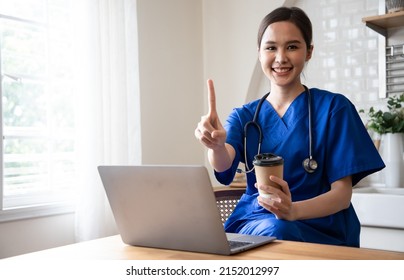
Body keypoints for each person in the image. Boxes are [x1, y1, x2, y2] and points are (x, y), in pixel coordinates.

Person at [194, 6, 385, 247]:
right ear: (260, 53)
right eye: (271, 47)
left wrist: (292, 211)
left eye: (292, 46)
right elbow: (223, 165)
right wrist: (216, 145)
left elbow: (342, 196)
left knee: (278, 230)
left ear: (309, 52)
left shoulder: (334, 109)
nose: (281, 57)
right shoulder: (245, 115)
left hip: (320, 225)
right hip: (256, 220)